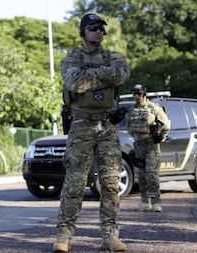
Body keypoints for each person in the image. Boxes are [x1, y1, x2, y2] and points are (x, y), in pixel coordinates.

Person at [54, 13, 130, 252]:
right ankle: (64, 236)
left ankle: (110, 236)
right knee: (75, 183)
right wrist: (104, 77)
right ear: (83, 31)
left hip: (107, 126)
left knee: (110, 183)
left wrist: (92, 76)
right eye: (94, 28)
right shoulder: (71, 58)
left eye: (101, 29)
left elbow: (121, 74)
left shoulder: (114, 56)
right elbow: (75, 83)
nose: (99, 32)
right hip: (81, 125)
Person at [126, 84, 170, 212]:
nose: (136, 96)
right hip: (138, 144)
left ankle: (156, 202)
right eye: (134, 93)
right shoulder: (131, 110)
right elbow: (129, 127)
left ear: (144, 94)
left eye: (138, 93)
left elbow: (166, 124)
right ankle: (145, 201)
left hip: (151, 145)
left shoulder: (154, 109)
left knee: (152, 174)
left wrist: (160, 136)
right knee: (141, 175)